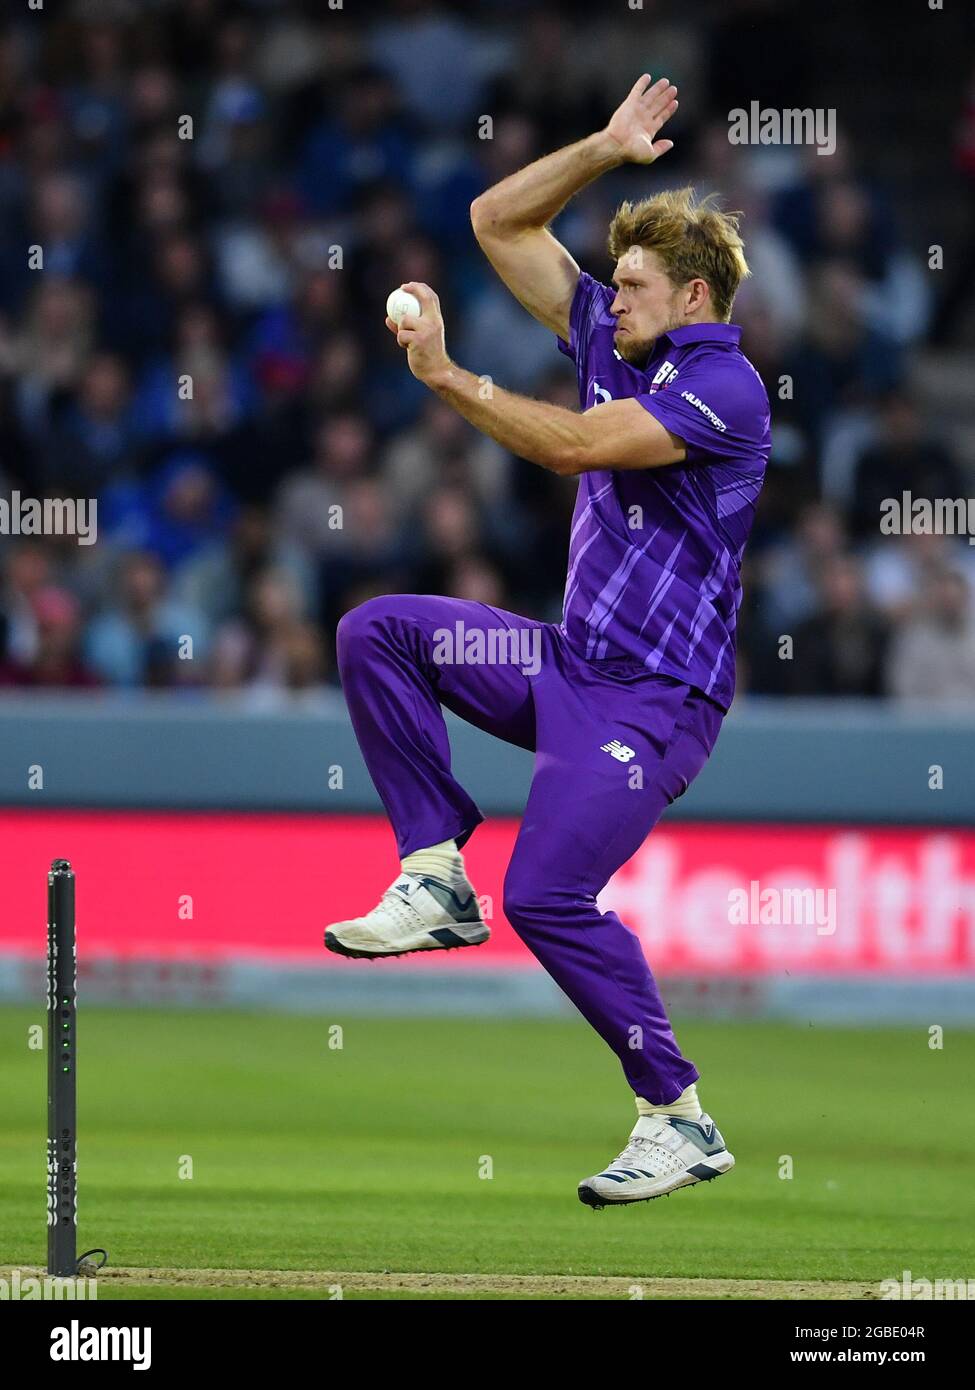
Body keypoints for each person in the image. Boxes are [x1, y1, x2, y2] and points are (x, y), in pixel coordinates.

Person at [327, 76, 770, 1207]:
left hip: (654, 702)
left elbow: (577, 447)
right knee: (378, 632)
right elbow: (496, 223)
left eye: (631, 286)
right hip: (565, 665)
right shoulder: (614, 334)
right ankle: (432, 873)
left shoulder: (726, 386)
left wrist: (446, 378)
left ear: (696, 293)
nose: (607, 300)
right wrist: (607, 151)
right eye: (609, 283)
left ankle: (679, 1117)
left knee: (550, 896)